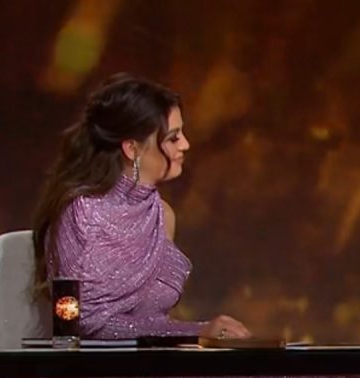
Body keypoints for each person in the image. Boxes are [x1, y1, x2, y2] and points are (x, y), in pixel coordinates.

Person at [31, 74, 250, 340]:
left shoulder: (162, 215)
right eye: (173, 138)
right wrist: (197, 332)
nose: (185, 144)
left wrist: (196, 336)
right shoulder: (82, 214)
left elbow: (152, 323)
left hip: (152, 361)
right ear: (132, 149)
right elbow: (83, 324)